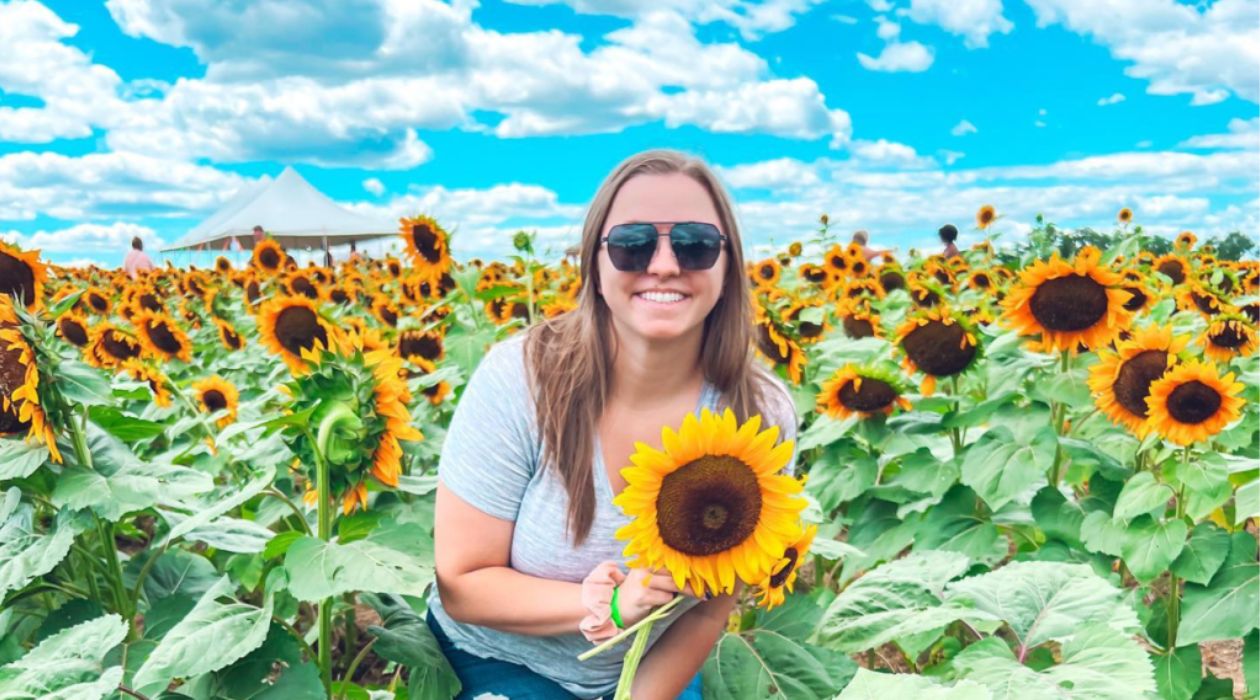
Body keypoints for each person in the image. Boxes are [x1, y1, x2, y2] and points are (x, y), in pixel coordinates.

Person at [430, 149, 798, 699]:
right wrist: (604, 603)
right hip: (500, 659)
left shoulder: (758, 414)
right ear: (596, 265)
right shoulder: (522, 380)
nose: (666, 264)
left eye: (696, 243)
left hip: (657, 669)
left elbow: (711, 606)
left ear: (726, 264)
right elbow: (463, 585)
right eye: (634, 244)